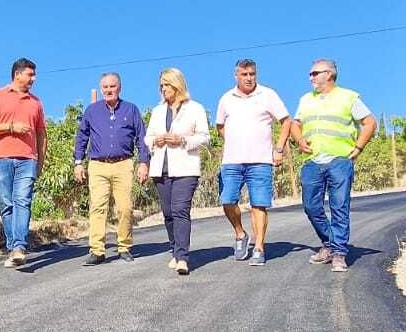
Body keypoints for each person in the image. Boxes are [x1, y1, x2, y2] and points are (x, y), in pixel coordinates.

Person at [285, 58, 378, 272]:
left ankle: (339, 253)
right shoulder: (306, 99)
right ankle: (329, 243)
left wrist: (358, 147)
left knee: (339, 206)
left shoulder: (349, 97)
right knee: (311, 206)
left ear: (329, 74)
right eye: (310, 74)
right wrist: (299, 139)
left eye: (315, 73)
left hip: (339, 160)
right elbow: (295, 124)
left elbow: (370, 122)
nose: (311, 77)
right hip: (312, 161)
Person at [214, 59, 293, 266]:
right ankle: (240, 234)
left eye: (252, 74)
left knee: (259, 204)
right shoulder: (226, 99)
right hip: (232, 162)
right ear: (236, 76)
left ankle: (259, 247)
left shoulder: (268, 94)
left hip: (260, 161)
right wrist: (235, 141)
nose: (249, 78)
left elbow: (286, 121)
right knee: (227, 200)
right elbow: (220, 126)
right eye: (244, 74)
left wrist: (278, 149)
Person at [73, 72, 150, 264]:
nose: (109, 90)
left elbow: (141, 138)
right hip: (98, 165)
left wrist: (143, 162)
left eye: (112, 86)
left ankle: (124, 247)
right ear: (101, 89)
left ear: (119, 88)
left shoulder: (131, 109)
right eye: (105, 87)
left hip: (123, 164)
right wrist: (78, 162)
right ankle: (97, 250)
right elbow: (82, 137)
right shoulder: (92, 111)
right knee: (98, 208)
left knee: (125, 208)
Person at [0, 58, 48, 268]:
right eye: (30, 74)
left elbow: (41, 135)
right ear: (17, 74)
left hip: (28, 160)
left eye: (34, 75)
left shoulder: (36, 102)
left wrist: (40, 162)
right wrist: (10, 127)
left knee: (23, 201)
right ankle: (12, 248)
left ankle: (19, 247)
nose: (33, 79)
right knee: (6, 203)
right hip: (1, 159)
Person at [143, 67, 210, 275]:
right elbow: (147, 138)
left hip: (185, 168)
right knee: (168, 212)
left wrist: (182, 140)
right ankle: (174, 249)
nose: (163, 89)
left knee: (180, 209)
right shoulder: (157, 111)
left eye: (167, 85)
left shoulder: (195, 108)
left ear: (177, 85)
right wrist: (155, 140)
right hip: (161, 168)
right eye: (161, 86)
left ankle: (182, 257)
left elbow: (204, 137)